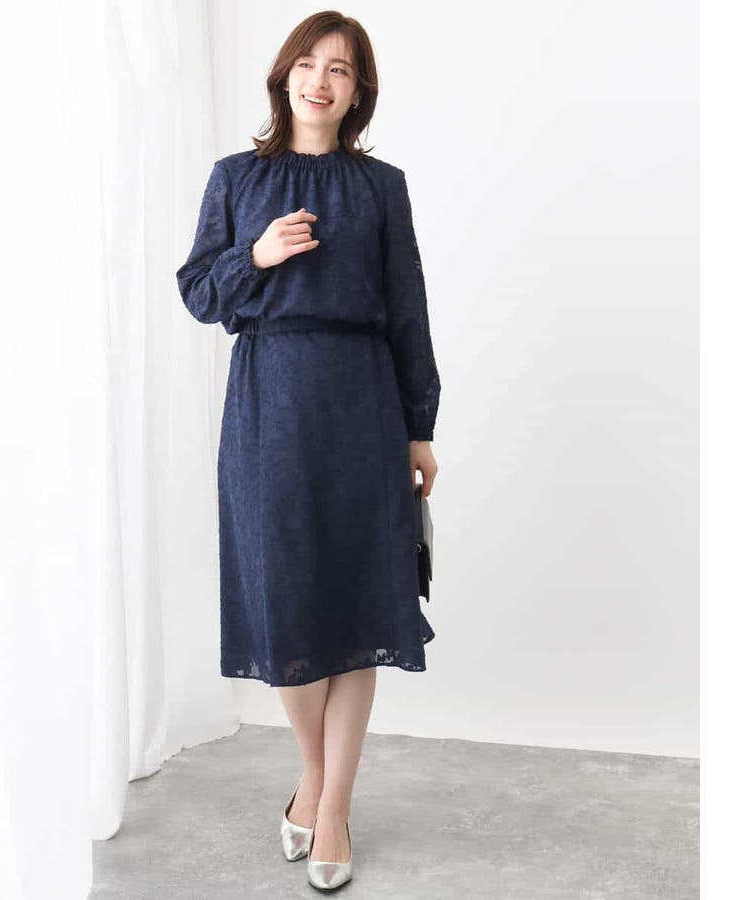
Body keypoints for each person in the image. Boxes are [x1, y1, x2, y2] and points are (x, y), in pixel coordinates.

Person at [176, 11, 440, 890]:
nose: (321, 80)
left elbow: (409, 307)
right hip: (269, 408)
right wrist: (255, 256)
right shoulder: (236, 178)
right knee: (287, 606)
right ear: (284, 74)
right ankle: (317, 779)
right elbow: (199, 294)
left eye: (341, 69)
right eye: (309, 63)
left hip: (363, 405)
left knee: (359, 610)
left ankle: (330, 808)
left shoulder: (381, 187)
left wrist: (419, 425)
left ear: (359, 91)